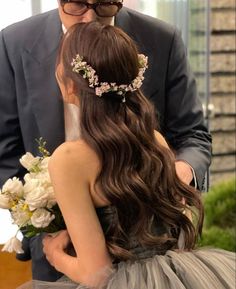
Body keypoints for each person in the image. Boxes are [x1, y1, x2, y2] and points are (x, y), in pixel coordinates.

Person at [0, 0, 211, 281]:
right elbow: (6, 152)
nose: (89, 17)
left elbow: (193, 135)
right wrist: (40, 229)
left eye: (105, 5)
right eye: (76, 3)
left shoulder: (162, 39)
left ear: (67, 80)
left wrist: (176, 176)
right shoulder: (13, 42)